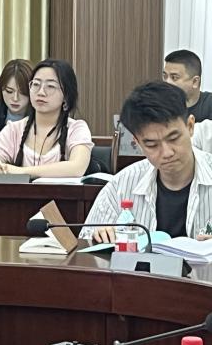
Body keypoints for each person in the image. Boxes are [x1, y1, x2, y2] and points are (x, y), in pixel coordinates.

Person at [83, 81, 212, 242]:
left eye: (173, 138)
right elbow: (85, 243)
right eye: (152, 145)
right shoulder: (121, 186)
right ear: (137, 143)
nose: (167, 153)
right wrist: (99, 238)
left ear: (190, 126)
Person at [0, 59, 93, 177]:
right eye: (36, 84)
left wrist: (20, 171)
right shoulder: (14, 130)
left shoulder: (76, 129)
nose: (41, 92)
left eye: (50, 86)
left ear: (66, 96)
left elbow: (77, 168)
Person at [163, 49, 212, 123]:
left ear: (195, 82)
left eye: (174, 77)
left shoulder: (209, 103)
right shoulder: (159, 104)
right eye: (165, 76)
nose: (167, 82)